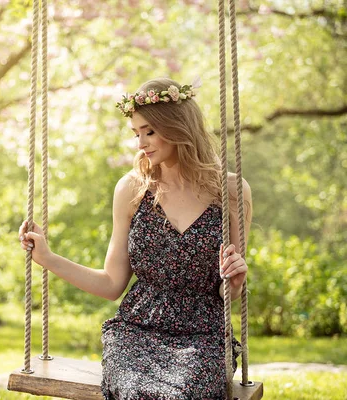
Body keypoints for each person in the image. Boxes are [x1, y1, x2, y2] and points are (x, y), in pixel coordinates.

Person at [18, 77, 252, 399]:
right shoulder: (132, 189)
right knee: (135, 391)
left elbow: (230, 292)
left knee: (181, 394)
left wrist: (236, 281)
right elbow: (112, 284)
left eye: (150, 131)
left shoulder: (230, 193)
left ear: (179, 127)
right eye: (136, 133)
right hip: (136, 332)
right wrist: (47, 258)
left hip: (203, 336)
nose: (140, 143)